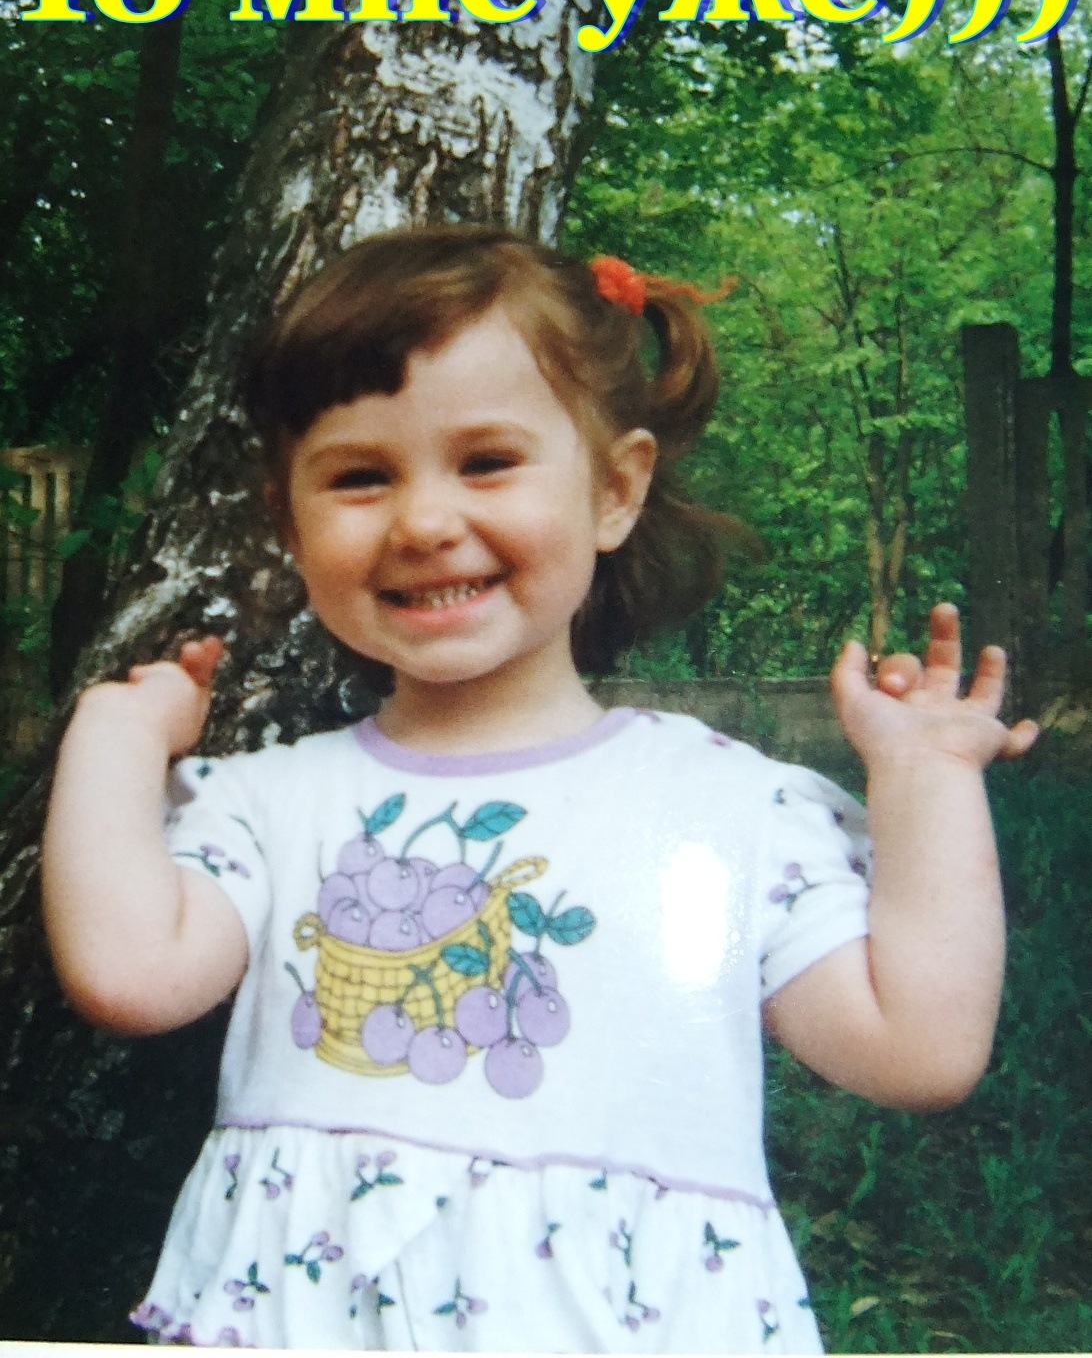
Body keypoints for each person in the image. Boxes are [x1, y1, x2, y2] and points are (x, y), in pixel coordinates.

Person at [42, 226, 1038, 1352]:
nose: (425, 521)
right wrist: (116, 734)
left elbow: (919, 1049)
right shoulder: (270, 806)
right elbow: (128, 975)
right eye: (361, 476)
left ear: (615, 490)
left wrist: (926, 776)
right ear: (292, 523)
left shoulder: (727, 810)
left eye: (486, 462)